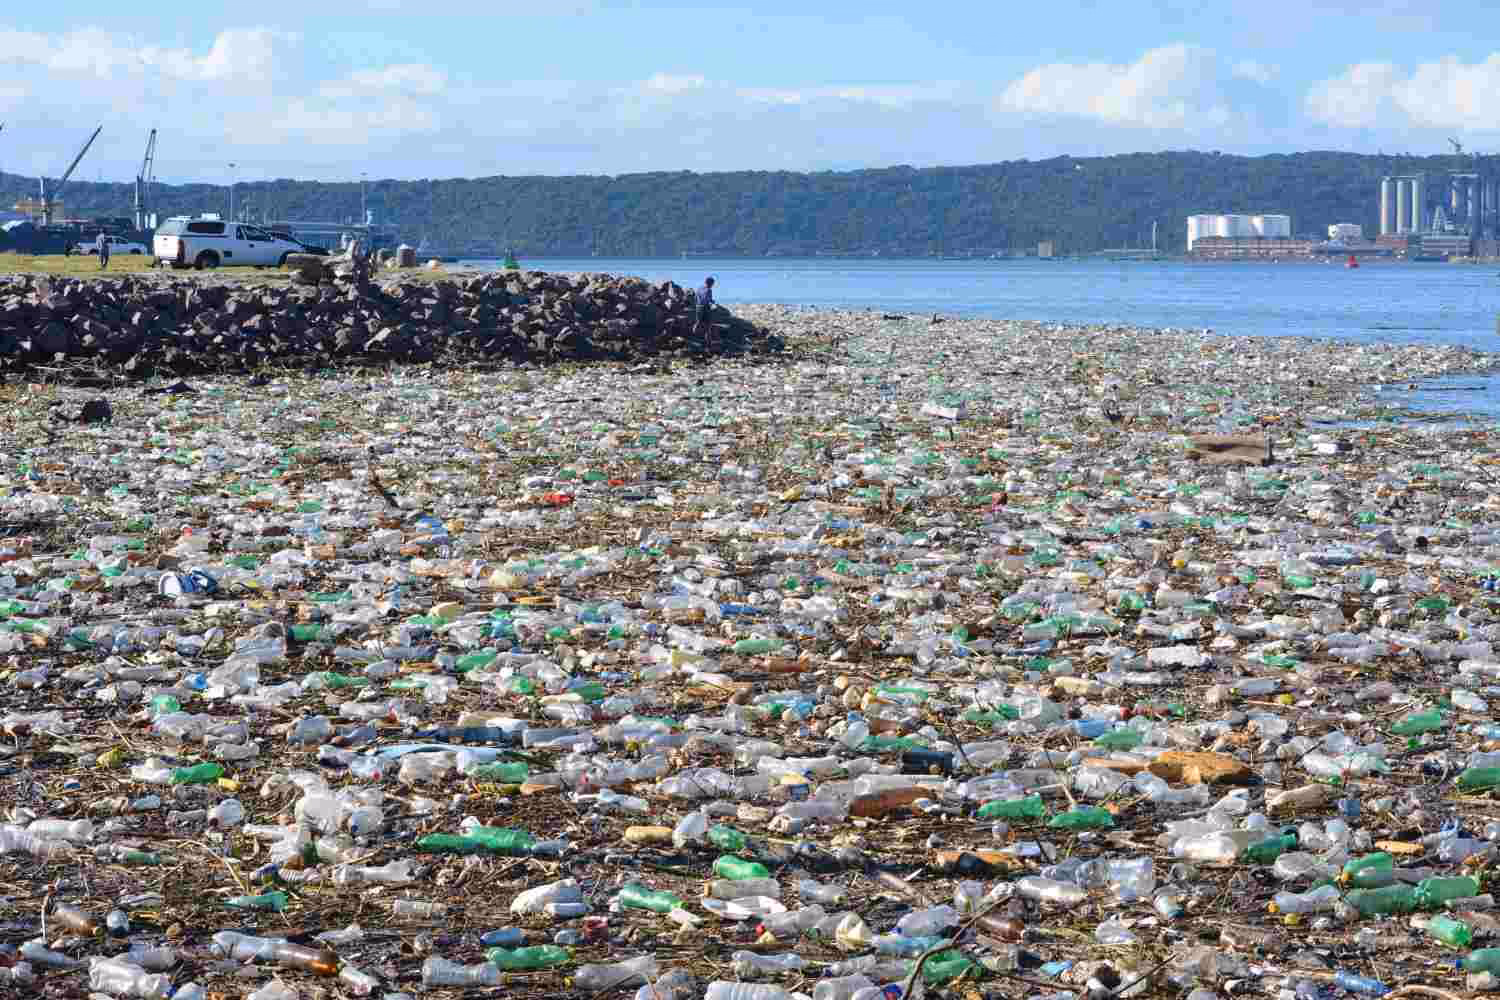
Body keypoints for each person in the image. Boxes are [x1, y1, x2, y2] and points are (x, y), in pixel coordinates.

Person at [694, 276, 716, 346]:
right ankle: (708, 342)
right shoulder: (708, 290)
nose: (712, 285)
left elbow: (696, 297)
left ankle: (694, 335)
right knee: (708, 326)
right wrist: (712, 302)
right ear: (710, 283)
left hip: (698, 307)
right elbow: (706, 300)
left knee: (698, 322)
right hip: (705, 308)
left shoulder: (699, 288)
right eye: (712, 284)